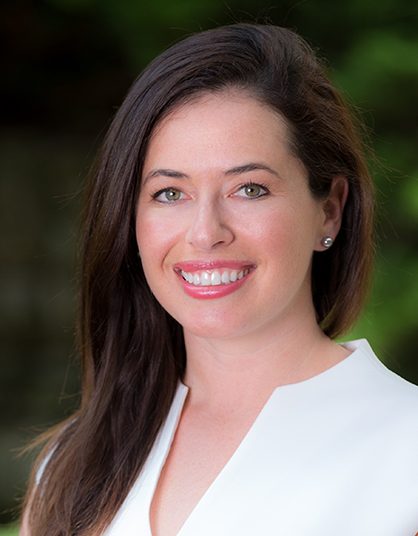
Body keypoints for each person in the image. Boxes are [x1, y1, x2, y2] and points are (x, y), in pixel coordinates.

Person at [21, 23, 418, 536]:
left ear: (330, 211)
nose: (205, 233)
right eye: (169, 193)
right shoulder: (71, 463)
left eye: (249, 189)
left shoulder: (406, 447)